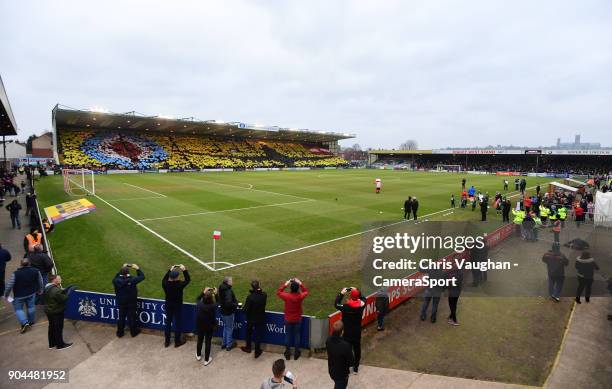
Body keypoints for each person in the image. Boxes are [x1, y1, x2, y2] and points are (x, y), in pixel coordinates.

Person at [3, 258, 43, 333]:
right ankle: (31, 321)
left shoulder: (15, 273)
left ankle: (24, 322)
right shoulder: (36, 271)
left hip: (19, 295)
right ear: (29, 264)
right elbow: (40, 281)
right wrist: (41, 290)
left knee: (18, 309)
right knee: (31, 307)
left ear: (21, 264)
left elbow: (9, 286)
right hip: (32, 293)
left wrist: (6, 295)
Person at [334, 287, 366, 374]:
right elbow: (364, 298)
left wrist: (341, 293)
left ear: (350, 296)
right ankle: (356, 367)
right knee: (357, 350)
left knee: (346, 350)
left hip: (347, 333)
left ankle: (347, 367)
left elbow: (336, 304)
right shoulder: (361, 305)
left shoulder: (346, 307)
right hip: (356, 332)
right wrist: (357, 290)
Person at [277, 278, 309, 360]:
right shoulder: (300, 296)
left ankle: (287, 353)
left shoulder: (287, 296)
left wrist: (285, 284)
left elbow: (278, 292)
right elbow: (306, 292)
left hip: (288, 319)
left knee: (288, 335)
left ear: (291, 288)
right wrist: (300, 283)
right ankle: (296, 353)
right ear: (297, 288)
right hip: (297, 319)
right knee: (297, 335)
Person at [112, 263, 145, 338]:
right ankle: (133, 332)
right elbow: (142, 276)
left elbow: (117, 276)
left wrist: (122, 268)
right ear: (128, 273)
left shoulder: (115, 281)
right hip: (131, 302)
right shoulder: (132, 280)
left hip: (121, 302)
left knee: (121, 317)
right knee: (132, 317)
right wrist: (137, 268)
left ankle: (120, 333)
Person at [162, 264, 190, 347]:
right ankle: (177, 342)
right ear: (177, 277)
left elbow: (164, 279)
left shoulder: (165, 284)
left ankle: (167, 342)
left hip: (168, 305)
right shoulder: (179, 284)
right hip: (177, 306)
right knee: (177, 323)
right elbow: (188, 280)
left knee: (168, 323)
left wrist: (170, 270)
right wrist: (184, 270)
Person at [44, 274, 73, 349]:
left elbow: (56, 294)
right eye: (59, 278)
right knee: (58, 328)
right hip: (56, 312)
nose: (61, 279)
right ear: (54, 280)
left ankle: (52, 343)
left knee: (52, 327)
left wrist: (64, 290)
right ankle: (60, 345)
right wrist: (69, 292)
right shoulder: (56, 290)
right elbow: (63, 298)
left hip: (49, 311)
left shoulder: (47, 287)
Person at [241, 280, 267, 358]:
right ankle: (257, 351)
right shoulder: (264, 295)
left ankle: (248, 347)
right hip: (260, 318)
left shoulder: (250, 297)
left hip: (251, 319)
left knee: (248, 333)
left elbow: (246, 309)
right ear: (259, 286)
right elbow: (261, 293)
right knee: (258, 335)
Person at [326, 320, 354, 389]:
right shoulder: (346, 346)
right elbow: (351, 362)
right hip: (342, 375)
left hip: (332, 371)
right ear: (342, 332)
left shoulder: (328, 340)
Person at [195, 287, 217, 365]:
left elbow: (197, 298)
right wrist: (216, 293)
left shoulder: (200, 304)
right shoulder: (213, 306)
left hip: (201, 325)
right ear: (211, 298)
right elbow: (219, 302)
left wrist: (203, 292)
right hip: (209, 326)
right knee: (208, 341)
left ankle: (198, 355)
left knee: (200, 340)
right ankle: (206, 360)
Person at [218, 276, 238, 350]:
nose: (232, 282)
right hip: (228, 313)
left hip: (222, 311)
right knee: (229, 328)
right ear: (228, 282)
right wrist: (235, 304)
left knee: (226, 327)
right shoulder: (228, 291)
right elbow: (228, 303)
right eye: (231, 281)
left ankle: (223, 343)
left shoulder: (221, 287)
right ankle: (229, 345)